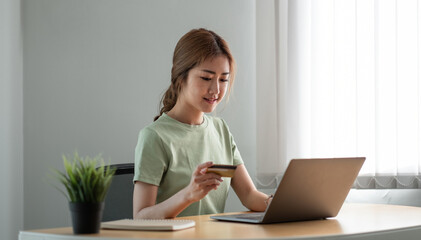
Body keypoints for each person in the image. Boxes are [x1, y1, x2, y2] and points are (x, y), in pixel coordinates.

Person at [133, 28, 271, 219]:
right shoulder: (154, 136)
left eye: (223, 80)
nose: (216, 90)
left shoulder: (220, 129)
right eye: (206, 78)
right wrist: (189, 194)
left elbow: (249, 195)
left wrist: (289, 206)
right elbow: (140, 217)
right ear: (181, 77)